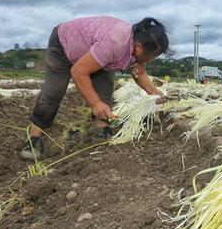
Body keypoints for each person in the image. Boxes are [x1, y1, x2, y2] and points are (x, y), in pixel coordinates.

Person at [21, 16, 170, 161]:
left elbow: (140, 73)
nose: (152, 60)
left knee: (105, 90)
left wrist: (156, 94)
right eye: (153, 56)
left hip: (94, 53)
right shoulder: (114, 44)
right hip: (63, 46)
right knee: (55, 91)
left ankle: (100, 130)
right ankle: (34, 138)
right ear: (139, 46)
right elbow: (78, 71)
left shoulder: (137, 44)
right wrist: (95, 104)